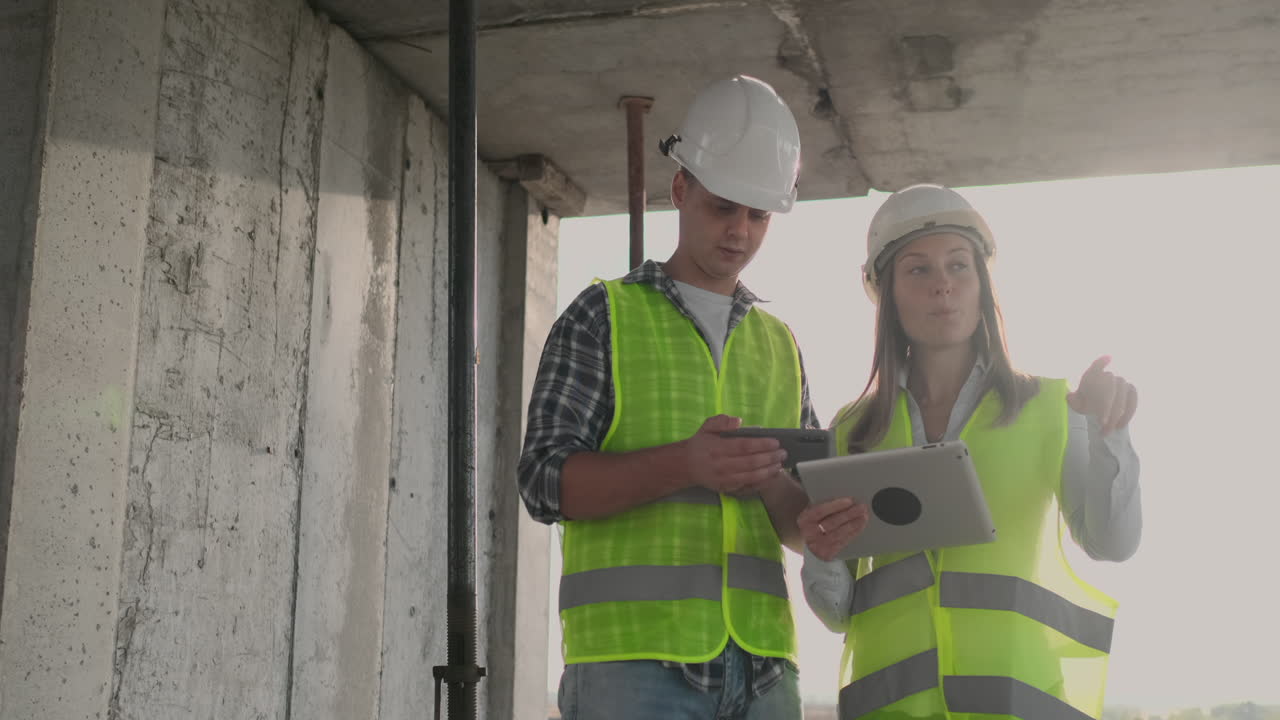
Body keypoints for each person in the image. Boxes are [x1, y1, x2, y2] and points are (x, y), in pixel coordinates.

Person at [517, 75, 814, 720]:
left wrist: (817, 515)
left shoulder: (780, 344)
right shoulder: (603, 315)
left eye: (758, 215)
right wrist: (685, 463)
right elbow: (543, 482)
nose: (739, 231)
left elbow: (795, 519)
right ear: (681, 190)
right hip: (634, 666)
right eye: (723, 207)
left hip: (765, 668)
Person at [799, 184, 1142, 719]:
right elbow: (839, 610)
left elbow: (1113, 543)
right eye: (919, 270)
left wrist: (1108, 432)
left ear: (982, 283)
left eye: (959, 266)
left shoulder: (1053, 406)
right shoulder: (853, 431)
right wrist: (819, 553)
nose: (943, 286)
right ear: (888, 293)